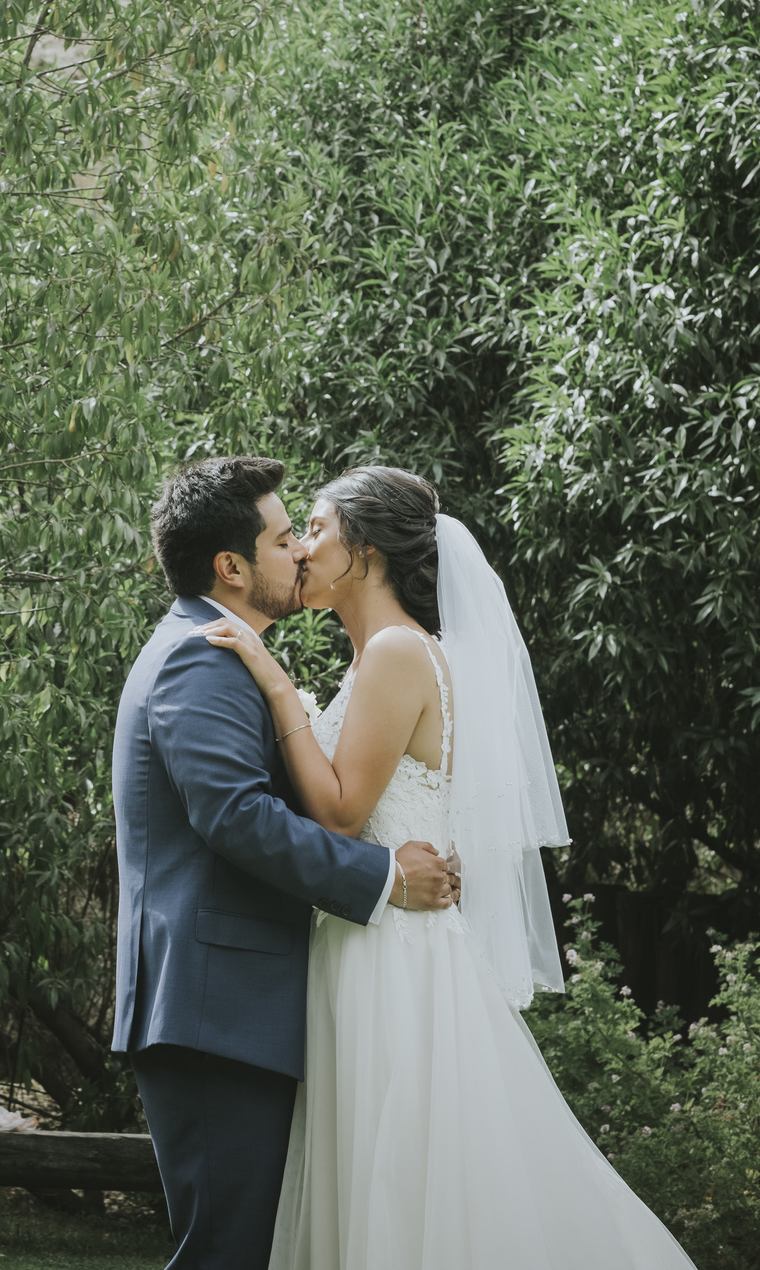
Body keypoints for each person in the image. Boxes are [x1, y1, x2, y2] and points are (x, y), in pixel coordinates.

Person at [200, 464, 696, 1269]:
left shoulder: (397, 650)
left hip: (393, 958)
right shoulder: (378, 658)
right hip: (362, 937)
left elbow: (341, 812)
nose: (301, 550)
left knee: (404, 1181)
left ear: (363, 550)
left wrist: (274, 681)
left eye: (316, 530)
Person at [111, 457, 457, 1270]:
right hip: (211, 1010)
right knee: (226, 1252)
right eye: (280, 539)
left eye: (305, 533)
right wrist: (383, 878)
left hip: (235, 1009)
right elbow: (236, 816)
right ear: (230, 567)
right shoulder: (202, 658)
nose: (299, 551)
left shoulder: (227, 653)